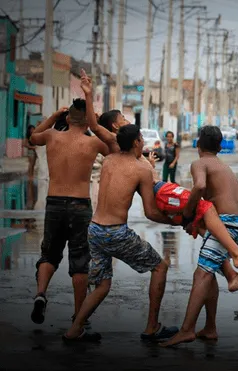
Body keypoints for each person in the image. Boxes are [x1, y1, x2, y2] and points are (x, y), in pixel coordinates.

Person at [63, 125, 178, 343]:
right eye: (142, 137)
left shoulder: (109, 160)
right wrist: (177, 221)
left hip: (95, 229)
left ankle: (74, 330)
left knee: (103, 285)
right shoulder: (141, 169)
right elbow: (151, 212)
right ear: (136, 142)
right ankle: (152, 327)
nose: (143, 140)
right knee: (160, 267)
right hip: (115, 232)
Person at [160, 126, 238, 347]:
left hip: (229, 224)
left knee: (201, 275)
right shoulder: (222, 165)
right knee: (210, 269)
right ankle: (210, 327)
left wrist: (186, 214)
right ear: (220, 146)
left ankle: (186, 330)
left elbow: (200, 186)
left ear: (198, 145)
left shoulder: (200, 163)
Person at [28, 94, 109, 327]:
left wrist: (54, 116)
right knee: (80, 259)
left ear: (67, 118)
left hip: (54, 202)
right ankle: (78, 317)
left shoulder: (52, 136)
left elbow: (33, 137)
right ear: (87, 121)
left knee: (49, 254)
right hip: (79, 205)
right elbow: (114, 146)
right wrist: (97, 123)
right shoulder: (93, 142)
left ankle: (41, 293)